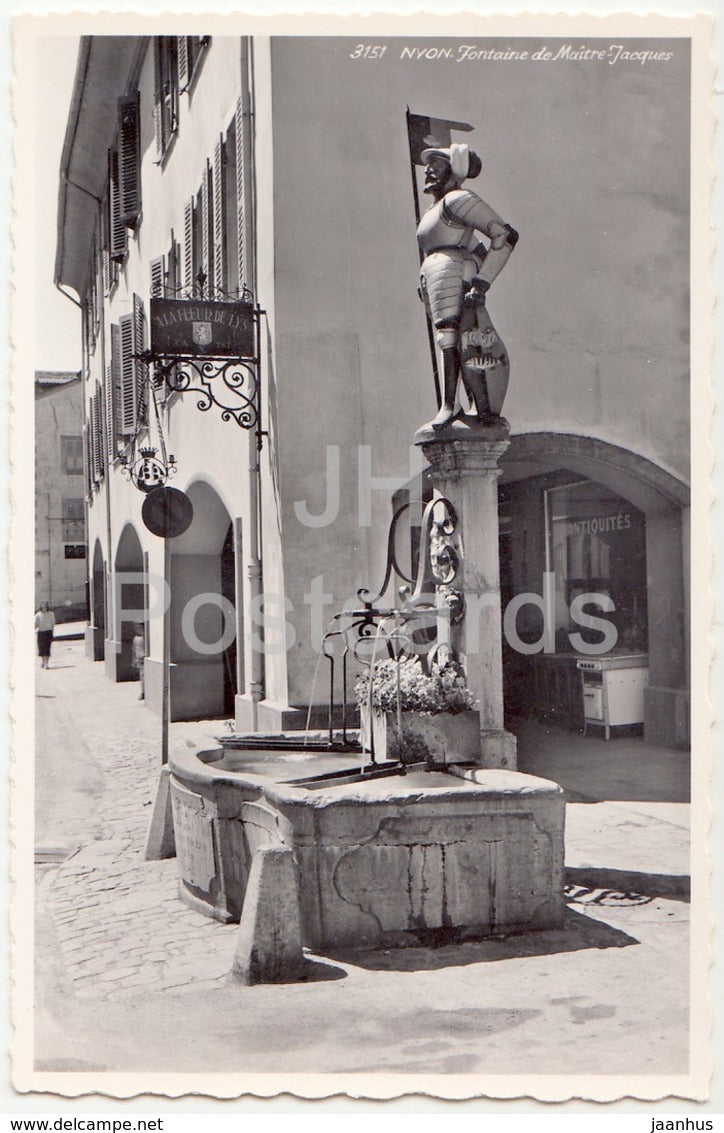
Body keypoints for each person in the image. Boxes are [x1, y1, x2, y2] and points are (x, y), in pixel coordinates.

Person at [417, 142, 518, 428]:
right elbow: (474, 246)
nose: (428, 172)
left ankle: (455, 404)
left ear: (452, 172)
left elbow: (503, 236)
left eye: (436, 166)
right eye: (428, 167)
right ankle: (452, 403)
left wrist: (482, 281)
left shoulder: (458, 199)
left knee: (458, 340)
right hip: (438, 277)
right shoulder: (435, 210)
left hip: (454, 274)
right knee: (446, 339)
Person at [34, 601, 55, 669]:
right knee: (42, 649)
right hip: (41, 633)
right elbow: (35, 624)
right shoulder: (38, 615)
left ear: (47, 607)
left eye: (45, 606)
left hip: (48, 632)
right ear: (41, 607)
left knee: (47, 649)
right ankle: (43, 662)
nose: (44, 608)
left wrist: (52, 633)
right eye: (43, 606)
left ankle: (46, 664)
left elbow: (53, 624)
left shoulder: (51, 614)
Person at [131, 623, 145, 700]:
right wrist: (134, 659)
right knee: (142, 675)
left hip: (144, 657)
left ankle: (144, 692)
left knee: (144, 675)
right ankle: (143, 691)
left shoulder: (145, 638)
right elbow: (134, 650)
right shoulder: (136, 639)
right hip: (139, 658)